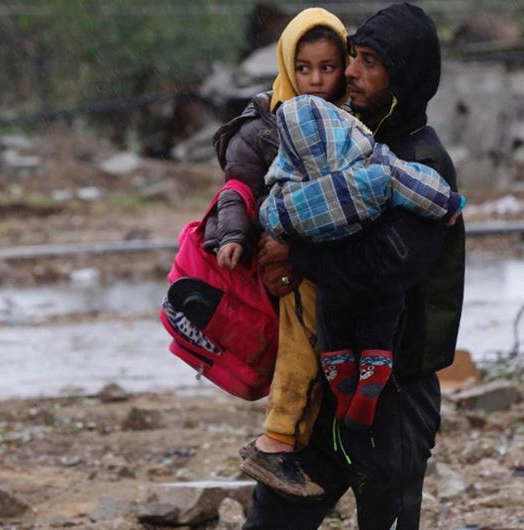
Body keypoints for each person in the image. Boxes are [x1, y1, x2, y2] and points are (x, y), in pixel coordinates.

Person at [244, 4, 465, 528]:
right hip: (331, 377)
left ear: (403, 75)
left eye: (368, 61)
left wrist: (295, 254)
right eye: (353, 57)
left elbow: (383, 268)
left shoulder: (421, 163)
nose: (350, 72)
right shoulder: (340, 136)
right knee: (273, 519)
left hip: (395, 386)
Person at [206, 7, 350, 499]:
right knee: (300, 351)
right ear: (288, 65)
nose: (314, 80)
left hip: (327, 260)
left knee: (316, 351)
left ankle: (294, 445)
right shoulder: (265, 123)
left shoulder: (350, 119)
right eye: (303, 68)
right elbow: (237, 190)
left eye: (328, 68)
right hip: (286, 264)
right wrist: (233, 237)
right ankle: (277, 441)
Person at [259, 94, 464, 429]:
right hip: (372, 259)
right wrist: (449, 204)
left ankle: (342, 382)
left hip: (328, 276)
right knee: (382, 318)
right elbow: (417, 189)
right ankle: (373, 374)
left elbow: (271, 221)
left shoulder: (288, 197)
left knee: (331, 324)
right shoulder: (374, 170)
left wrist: (290, 243)